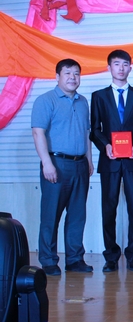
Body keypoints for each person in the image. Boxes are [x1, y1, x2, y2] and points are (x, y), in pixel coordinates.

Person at [31, 58, 94, 275]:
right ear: (57, 76)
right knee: (51, 215)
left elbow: (86, 133)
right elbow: (38, 133)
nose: (72, 77)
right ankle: (48, 260)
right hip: (56, 164)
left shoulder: (83, 101)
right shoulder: (45, 100)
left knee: (77, 215)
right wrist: (47, 163)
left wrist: (89, 160)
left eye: (76, 73)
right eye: (67, 73)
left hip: (80, 165)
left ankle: (75, 259)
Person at [90, 49, 133, 273]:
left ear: (130, 68)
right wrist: (105, 145)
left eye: (125, 64)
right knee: (109, 208)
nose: (121, 68)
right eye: (116, 64)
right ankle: (111, 256)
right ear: (109, 68)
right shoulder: (99, 96)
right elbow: (95, 129)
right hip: (110, 160)